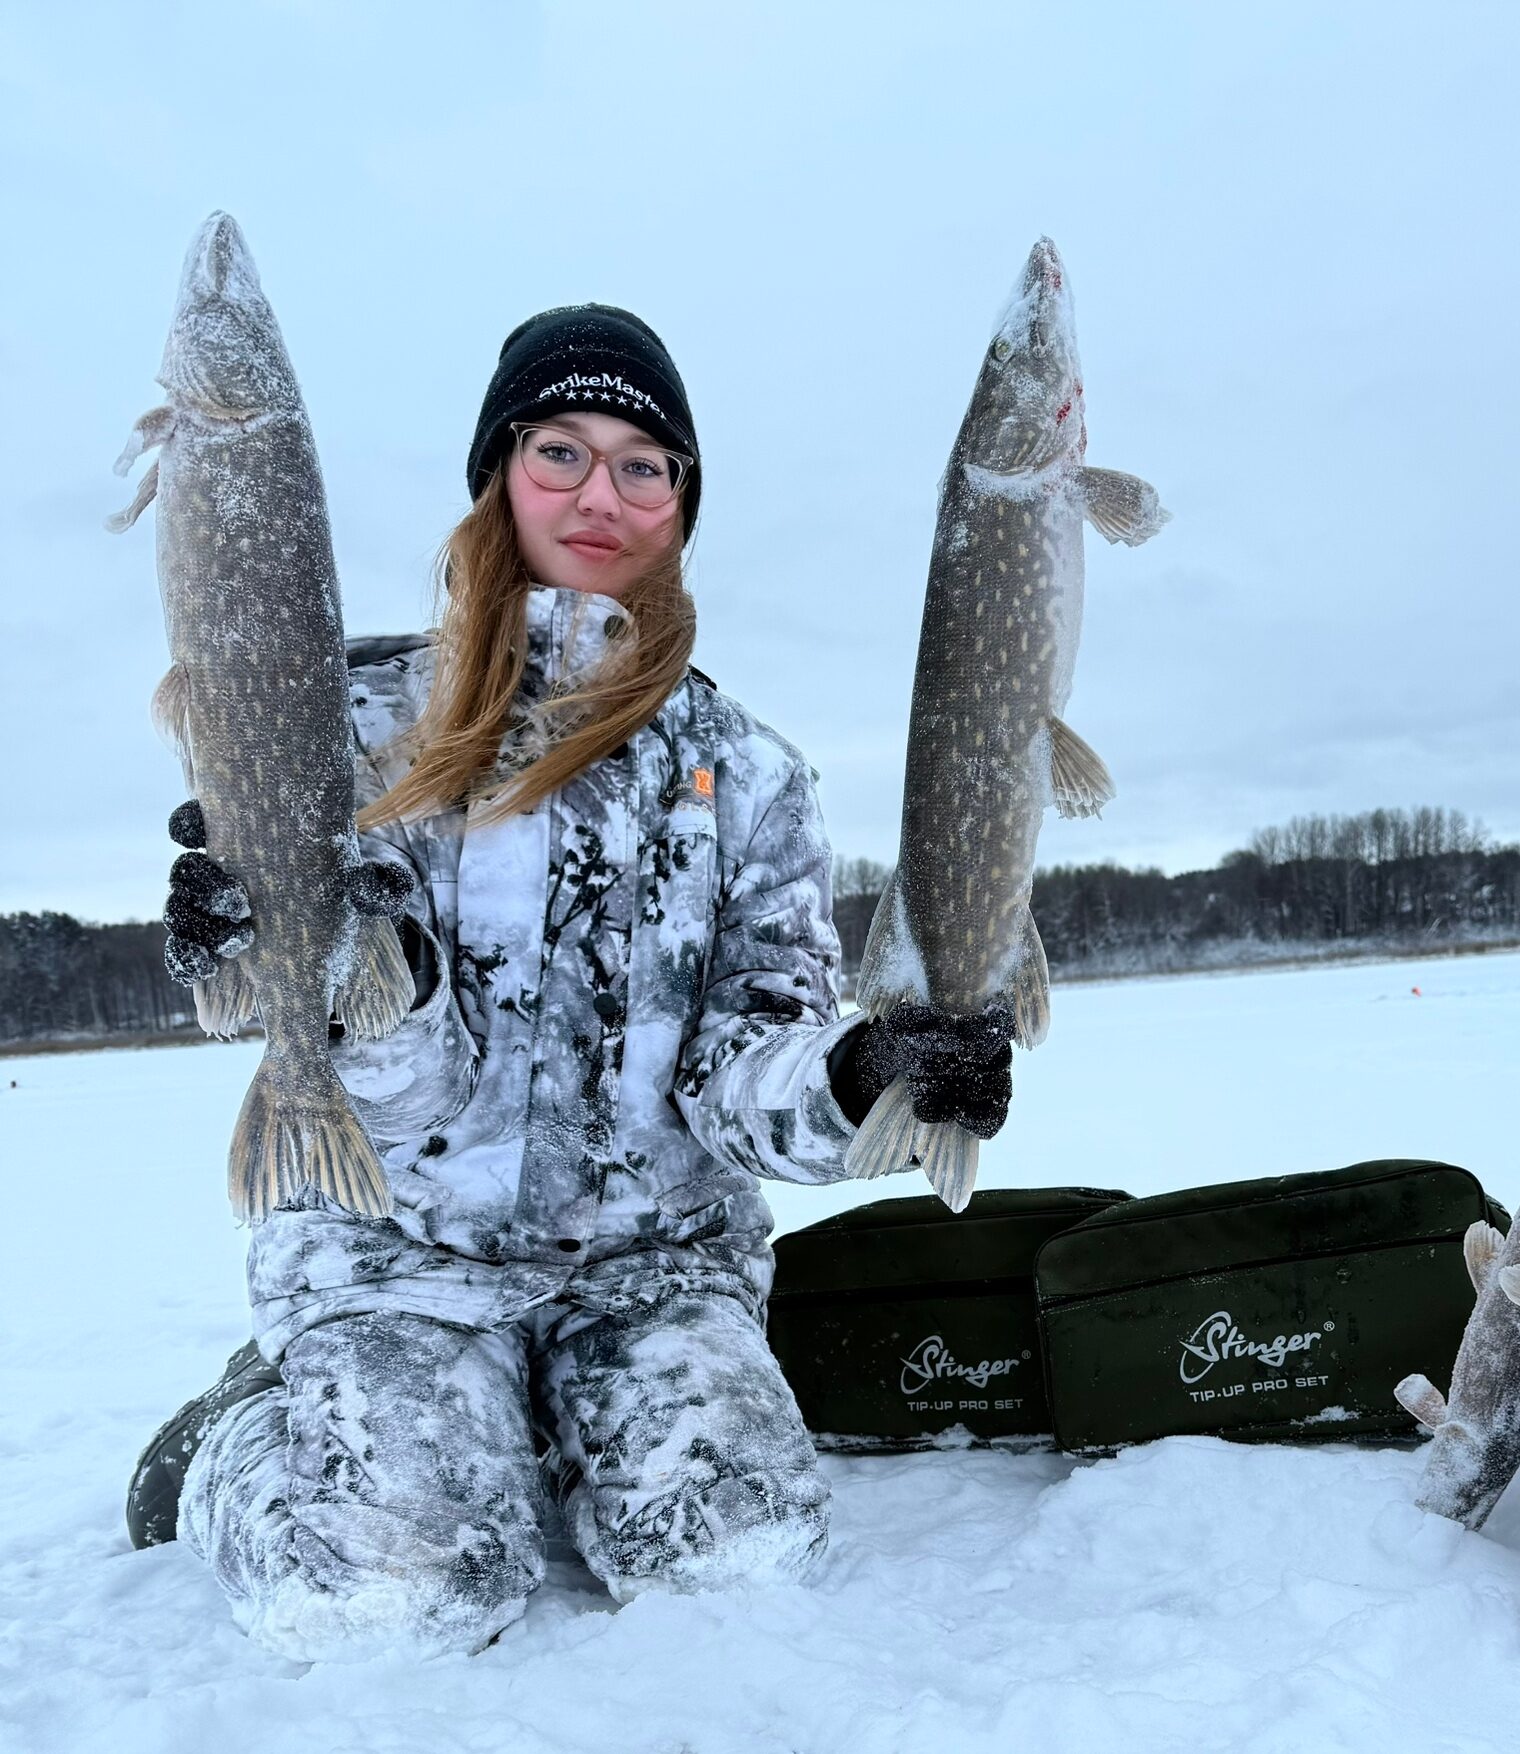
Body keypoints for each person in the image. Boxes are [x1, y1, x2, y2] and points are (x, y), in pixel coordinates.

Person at [135, 304, 1014, 1662]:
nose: (600, 493)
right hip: (400, 1256)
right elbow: (384, 1082)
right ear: (501, 472)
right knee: (388, 1598)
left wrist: (858, 1073)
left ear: (681, 501)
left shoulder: (754, 778)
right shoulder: (362, 731)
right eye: (559, 449)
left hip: (650, 1269)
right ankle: (236, 1440)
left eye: (643, 462)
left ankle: (543, 1423)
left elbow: (745, 1076)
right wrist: (314, 959)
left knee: (742, 1560)